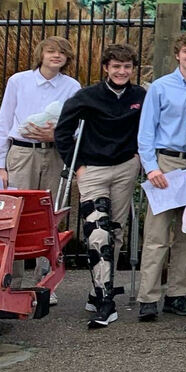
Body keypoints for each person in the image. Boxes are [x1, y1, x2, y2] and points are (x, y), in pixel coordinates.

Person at [54, 43, 144, 329]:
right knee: (97, 232)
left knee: (115, 232)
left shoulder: (141, 96)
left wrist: (140, 157)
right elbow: (63, 132)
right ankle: (106, 300)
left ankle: (100, 286)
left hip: (125, 168)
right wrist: (77, 165)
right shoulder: (87, 96)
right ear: (106, 67)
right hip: (92, 169)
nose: (121, 71)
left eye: (127, 66)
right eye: (116, 66)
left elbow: (152, 127)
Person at [136, 31, 186, 321]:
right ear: (177, 54)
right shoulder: (160, 88)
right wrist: (151, 167)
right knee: (157, 235)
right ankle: (148, 297)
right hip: (167, 165)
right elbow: (146, 130)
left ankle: (177, 294)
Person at [0, 35, 80, 290]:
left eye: (61, 53)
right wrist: (0, 164)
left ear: (67, 59)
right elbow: (4, 120)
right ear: (41, 54)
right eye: (51, 51)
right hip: (22, 153)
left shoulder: (72, 86)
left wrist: (56, 135)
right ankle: (12, 280)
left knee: (49, 217)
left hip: (54, 153)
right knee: (14, 216)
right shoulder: (19, 81)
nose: (56, 56)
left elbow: (76, 126)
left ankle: (44, 282)